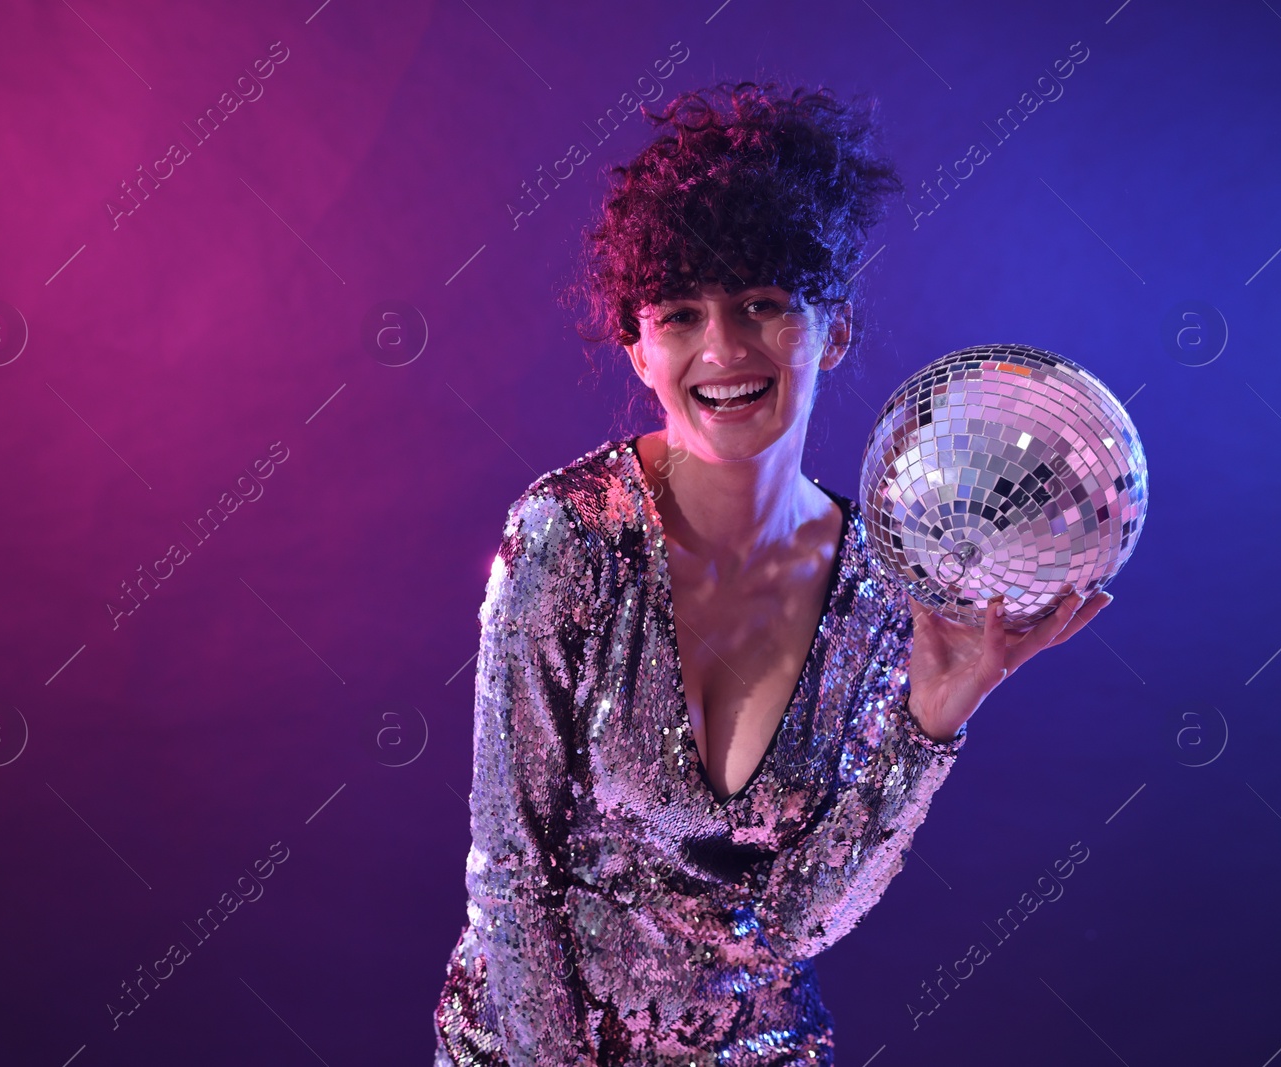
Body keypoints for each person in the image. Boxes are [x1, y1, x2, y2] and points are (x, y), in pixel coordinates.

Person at [432, 80, 1111, 1066]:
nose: (724, 348)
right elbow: (511, 879)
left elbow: (797, 921)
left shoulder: (887, 583)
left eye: (763, 303)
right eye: (680, 313)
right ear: (638, 347)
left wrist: (931, 721)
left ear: (833, 329)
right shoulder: (565, 537)